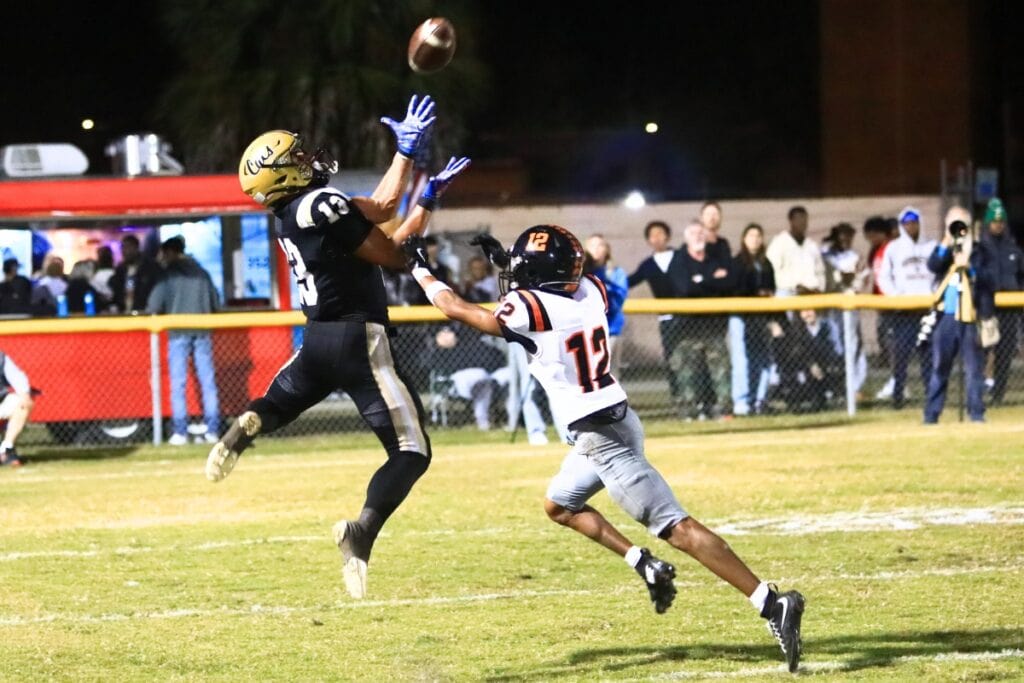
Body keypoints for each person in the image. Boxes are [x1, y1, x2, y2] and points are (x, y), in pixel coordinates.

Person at [402, 224, 806, 672]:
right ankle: (643, 563)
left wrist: (420, 269)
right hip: (619, 418)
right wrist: (513, 263)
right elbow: (553, 289)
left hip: (601, 439)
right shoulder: (591, 289)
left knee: (678, 528)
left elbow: (455, 307)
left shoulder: (529, 306)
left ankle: (772, 602)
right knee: (560, 505)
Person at [206, 95, 471, 601]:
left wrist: (409, 162)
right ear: (283, 176)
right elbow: (392, 252)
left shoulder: (295, 214)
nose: (308, 160)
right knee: (412, 451)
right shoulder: (322, 204)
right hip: (359, 341)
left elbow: (381, 210)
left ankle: (252, 421)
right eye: (296, 159)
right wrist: (427, 202)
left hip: (318, 340)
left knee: (284, 400)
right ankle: (362, 532)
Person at [146, 236, 222, 444]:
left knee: (178, 383)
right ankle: (212, 430)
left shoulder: (168, 275)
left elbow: (153, 305)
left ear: (170, 252)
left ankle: (180, 431)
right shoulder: (202, 273)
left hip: (177, 333)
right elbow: (216, 303)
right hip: (203, 331)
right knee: (208, 382)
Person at [922, 207, 994, 424]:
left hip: (970, 315)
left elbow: (989, 279)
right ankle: (932, 414)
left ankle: (976, 413)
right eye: (953, 224)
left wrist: (970, 267)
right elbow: (933, 266)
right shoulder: (945, 250)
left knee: (974, 369)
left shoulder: (980, 251)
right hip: (947, 315)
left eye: (961, 224)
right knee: (940, 367)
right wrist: (946, 241)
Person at [669, 220, 734, 419]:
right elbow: (684, 289)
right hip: (686, 328)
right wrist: (711, 281)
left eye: (701, 233)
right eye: (693, 233)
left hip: (713, 327)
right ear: (686, 238)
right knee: (687, 373)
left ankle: (725, 412)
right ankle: (688, 413)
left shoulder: (713, 261)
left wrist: (701, 281)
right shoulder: (679, 261)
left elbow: (727, 284)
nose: (698, 236)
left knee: (721, 372)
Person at [877, 206, 937, 409]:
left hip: (926, 310)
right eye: (907, 223)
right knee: (900, 358)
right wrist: (896, 296)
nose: (911, 226)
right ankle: (897, 397)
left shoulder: (931, 246)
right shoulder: (893, 248)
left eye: (915, 222)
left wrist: (935, 294)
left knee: (928, 357)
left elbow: (941, 273)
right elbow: (883, 276)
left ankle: (932, 396)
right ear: (902, 226)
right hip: (904, 312)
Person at [627, 221, 683, 405]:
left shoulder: (680, 256)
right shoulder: (648, 265)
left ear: (667, 236)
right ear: (648, 240)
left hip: (687, 317)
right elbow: (630, 281)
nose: (657, 237)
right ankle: (678, 396)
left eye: (660, 233)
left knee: (692, 357)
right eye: (652, 235)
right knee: (671, 358)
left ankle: (701, 398)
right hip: (666, 318)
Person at [978, 198, 1023, 404]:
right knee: (984, 350)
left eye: (1001, 221)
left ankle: (998, 395)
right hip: (987, 307)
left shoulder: (1013, 249)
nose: (998, 224)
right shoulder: (980, 248)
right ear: (988, 223)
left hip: (1010, 308)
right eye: (995, 221)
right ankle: (978, 391)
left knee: (1005, 352)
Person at [732, 224, 778, 415]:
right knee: (743, 360)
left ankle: (760, 400)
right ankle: (742, 403)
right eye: (751, 235)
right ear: (743, 238)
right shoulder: (738, 262)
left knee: (763, 359)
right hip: (742, 317)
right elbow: (736, 288)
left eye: (758, 235)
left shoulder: (765, 262)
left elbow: (771, 288)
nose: (755, 239)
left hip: (761, 317)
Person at [423, 325, 505, 430]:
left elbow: (496, 359)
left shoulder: (474, 343)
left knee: (483, 379)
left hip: (481, 375)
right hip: (454, 378)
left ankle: (483, 421)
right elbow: (428, 364)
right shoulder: (438, 351)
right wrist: (440, 344)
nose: (447, 336)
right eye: (443, 333)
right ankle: (482, 420)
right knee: (481, 375)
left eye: (449, 332)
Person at [775, 309, 843, 413]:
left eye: (810, 310)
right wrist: (811, 364)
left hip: (824, 362)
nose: (807, 314)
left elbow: (836, 350)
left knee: (831, 370)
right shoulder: (795, 329)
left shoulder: (828, 326)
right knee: (794, 372)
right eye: (803, 311)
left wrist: (825, 364)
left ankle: (824, 397)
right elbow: (796, 352)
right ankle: (795, 400)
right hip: (803, 363)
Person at [583, 234, 628, 376]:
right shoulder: (581, 273)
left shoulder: (615, 273)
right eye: (592, 246)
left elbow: (617, 300)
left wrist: (606, 287)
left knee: (610, 373)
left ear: (607, 250)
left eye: (600, 245)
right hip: (586, 329)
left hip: (610, 328)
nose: (596, 249)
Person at [766, 206, 826, 297]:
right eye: (799, 219)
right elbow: (771, 270)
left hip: (812, 294)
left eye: (805, 219)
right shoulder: (779, 242)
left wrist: (818, 288)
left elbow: (820, 272)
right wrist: (794, 287)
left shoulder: (812, 245)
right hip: (788, 294)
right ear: (791, 221)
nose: (802, 222)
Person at [110, 234, 161, 313]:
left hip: (144, 312)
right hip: (124, 312)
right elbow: (117, 292)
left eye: (128, 247)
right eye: (122, 248)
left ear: (136, 248)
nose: (124, 251)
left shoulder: (149, 268)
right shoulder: (121, 270)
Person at [0, 350, 34, 467]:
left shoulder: (1, 358)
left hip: (1, 402)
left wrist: (25, 394)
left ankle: (6, 448)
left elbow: (17, 377)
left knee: (23, 403)